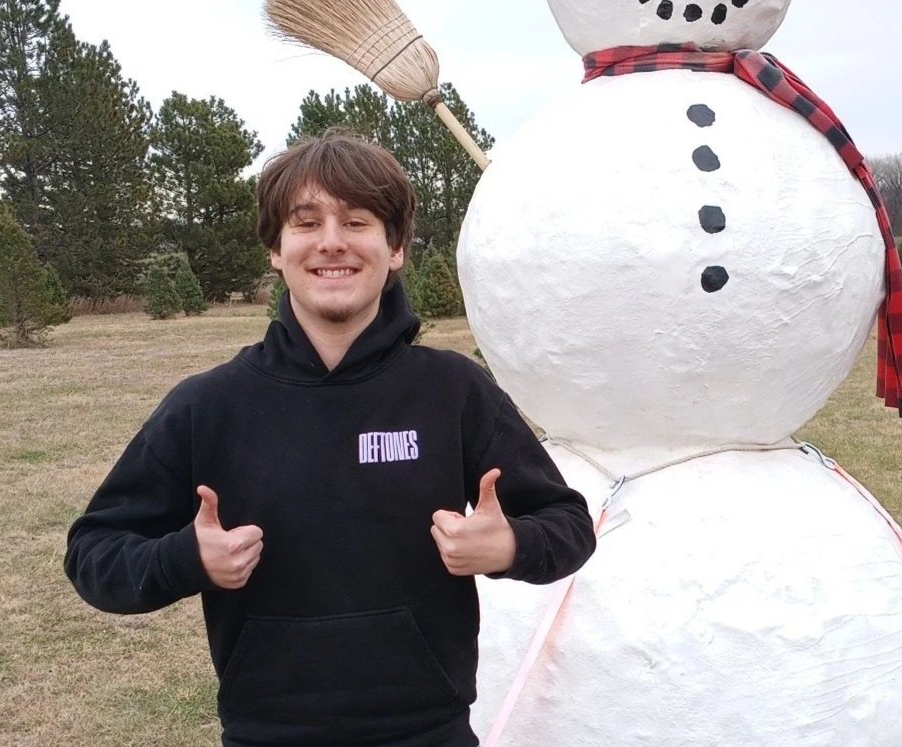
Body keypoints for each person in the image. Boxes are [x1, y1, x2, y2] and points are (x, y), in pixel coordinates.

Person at [64, 131, 596, 747]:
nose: (332, 242)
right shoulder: (209, 406)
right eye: (307, 222)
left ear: (395, 247)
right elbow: (94, 553)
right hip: (267, 735)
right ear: (276, 248)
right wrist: (186, 559)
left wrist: (510, 545)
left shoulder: (453, 392)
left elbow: (569, 525)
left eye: (357, 221)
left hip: (430, 733)